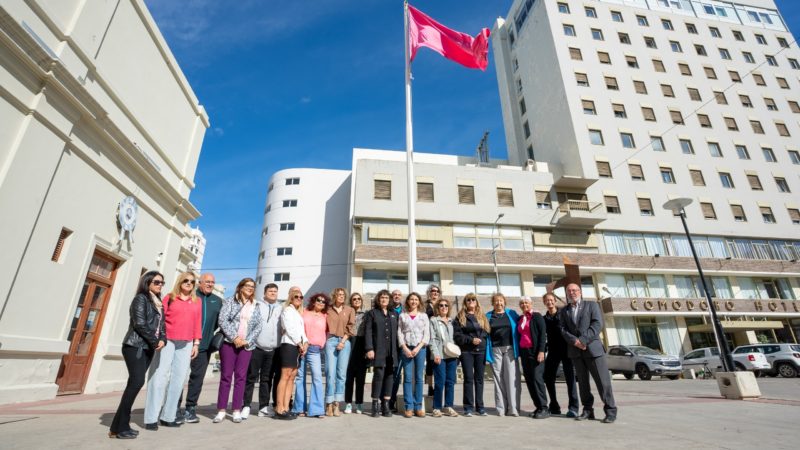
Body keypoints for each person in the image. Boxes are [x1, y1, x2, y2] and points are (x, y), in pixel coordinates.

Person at [109, 271, 166, 439]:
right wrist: (155, 341)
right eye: (156, 282)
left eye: (162, 282)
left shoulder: (158, 303)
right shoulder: (140, 299)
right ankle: (121, 427)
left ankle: (116, 427)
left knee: (133, 385)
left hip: (148, 347)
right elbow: (139, 324)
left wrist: (163, 338)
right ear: (147, 282)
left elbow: (162, 325)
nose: (160, 285)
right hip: (135, 346)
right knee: (136, 383)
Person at [144, 272, 201, 430]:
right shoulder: (169, 297)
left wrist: (196, 343)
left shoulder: (197, 301)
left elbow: (197, 323)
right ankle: (151, 418)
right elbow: (160, 319)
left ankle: (168, 416)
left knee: (178, 380)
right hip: (167, 341)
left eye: (192, 281)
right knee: (159, 376)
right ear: (180, 282)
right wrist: (158, 338)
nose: (189, 283)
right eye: (186, 280)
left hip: (187, 343)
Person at [559, 283, 617, 424]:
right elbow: (562, 329)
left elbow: (597, 324)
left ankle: (610, 411)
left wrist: (583, 340)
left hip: (593, 350)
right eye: (569, 291)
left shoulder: (592, 306)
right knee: (583, 384)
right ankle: (587, 410)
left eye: (574, 290)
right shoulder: (564, 310)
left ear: (580, 291)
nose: (572, 293)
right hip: (576, 352)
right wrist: (575, 341)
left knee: (603, 383)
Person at [213, 278, 262, 423]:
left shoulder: (255, 304)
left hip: (246, 346)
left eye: (252, 286)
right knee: (226, 377)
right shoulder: (230, 301)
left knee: (241, 378)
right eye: (247, 286)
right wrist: (235, 337)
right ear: (240, 287)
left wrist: (247, 340)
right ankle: (221, 410)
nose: (250, 288)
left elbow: (258, 325)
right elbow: (222, 320)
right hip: (229, 343)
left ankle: (236, 410)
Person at [181, 272, 223, 424]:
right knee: (178, 377)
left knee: (197, 379)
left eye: (212, 282)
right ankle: (172, 407)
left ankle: (190, 408)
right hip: (183, 344)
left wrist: (212, 337)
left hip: (204, 347)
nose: (210, 284)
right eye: (207, 281)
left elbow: (220, 323)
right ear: (200, 282)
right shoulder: (191, 296)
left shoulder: (218, 301)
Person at [243, 283, 283, 419]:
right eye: (270, 291)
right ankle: (246, 406)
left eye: (275, 291)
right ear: (265, 293)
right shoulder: (257, 305)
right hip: (257, 347)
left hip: (273, 349)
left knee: (266, 379)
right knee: (251, 377)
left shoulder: (281, 308)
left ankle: (263, 407)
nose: (273, 293)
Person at [542, 292, 579, 417]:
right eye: (547, 300)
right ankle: (554, 405)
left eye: (551, 300)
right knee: (548, 377)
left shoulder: (564, 314)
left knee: (570, 379)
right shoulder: (544, 319)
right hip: (553, 351)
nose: (549, 302)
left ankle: (573, 408)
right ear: (544, 302)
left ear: (555, 301)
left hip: (567, 350)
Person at [453, 293, 489, 417]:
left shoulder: (482, 316)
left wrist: (480, 339)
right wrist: (470, 340)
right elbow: (457, 335)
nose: (471, 301)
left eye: (473, 299)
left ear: (476, 302)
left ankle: (480, 407)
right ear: (465, 302)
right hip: (467, 351)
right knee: (468, 378)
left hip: (481, 351)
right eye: (468, 300)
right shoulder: (460, 317)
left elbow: (486, 332)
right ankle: (468, 407)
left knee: (479, 379)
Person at [364, 289, 399, 417]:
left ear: (389, 300)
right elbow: (368, 331)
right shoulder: (372, 313)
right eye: (382, 297)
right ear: (378, 300)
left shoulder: (394, 313)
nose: (384, 299)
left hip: (392, 350)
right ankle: (375, 404)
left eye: (386, 297)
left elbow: (398, 333)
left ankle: (386, 404)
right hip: (378, 349)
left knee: (390, 375)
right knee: (379, 375)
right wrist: (369, 349)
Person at [485, 292, 521, 417]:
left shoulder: (512, 314)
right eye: (496, 301)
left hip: (510, 349)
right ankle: (501, 408)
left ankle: (513, 408)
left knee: (511, 378)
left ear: (504, 302)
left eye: (501, 301)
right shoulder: (488, 316)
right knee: (498, 379)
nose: (498, 303)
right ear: (493, 303)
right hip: (495, 350)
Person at [275, 287, 308, 420]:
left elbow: (301, 331)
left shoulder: (298, 313)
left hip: (298, 346)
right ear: (291, 298)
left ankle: (286, 408)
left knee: (292, 377)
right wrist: (299, 343)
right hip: (289, 344)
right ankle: (279, 408)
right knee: (285, 375)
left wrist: (305, 342)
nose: (299, 299)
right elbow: (289, 328)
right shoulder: (287, 310)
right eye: (296, 297)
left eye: (301, 297)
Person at [293, 292, 327, 418]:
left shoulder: (325, 316)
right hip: (301, 348)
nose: (321, 302)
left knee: (317, 378)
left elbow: (327, 331)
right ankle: (299, 408)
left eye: (323, 301)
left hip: (315, 350)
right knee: (300, 378)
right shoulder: (304, 312)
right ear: (313, 300)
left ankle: (316, 410)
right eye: (318, 300)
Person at [398, 292, 430, 418]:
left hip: (420, 349)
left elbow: (426, 334)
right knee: (407, 377)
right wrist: (404, 348)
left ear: (419, 302)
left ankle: (418, 407)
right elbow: (399, 333)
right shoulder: (403, 316)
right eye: (411, 299)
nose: (414, 301)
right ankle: (409, 407)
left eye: (416, 299)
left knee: (419, 378)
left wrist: (418, 347)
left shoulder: (424, 316)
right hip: (406, 349)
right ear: (408, 301)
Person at [324, 287, 355, 417]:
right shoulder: (328, 310)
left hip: (345, 341)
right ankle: (329, 403)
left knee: (341, 375)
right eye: (339, 294)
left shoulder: (350, 310)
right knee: (330, 373)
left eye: (343, 294)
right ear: (334, 296)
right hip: (330, 341)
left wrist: (343, 341)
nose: (341, 296)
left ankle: (337, 403)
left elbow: (351, 327)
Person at [517, 296, 548, 419]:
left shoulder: (537, 316)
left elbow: (542, 335)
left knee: (537, 379)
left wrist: (541, 351)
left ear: (531, 304)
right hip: (524, 352)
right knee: (529, 380)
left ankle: (544, 407)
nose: (524, 305)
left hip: (535, 352)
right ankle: (538, 407)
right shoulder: (521, 318)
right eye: (522, 303)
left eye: (526, 303)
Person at [428, 297, 459, 418]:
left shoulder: (451, 321)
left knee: (450, 382)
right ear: (437, 308)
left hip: (451, 355)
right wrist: (435, 354)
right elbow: (432, 339)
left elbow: (455, 338)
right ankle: (436, 407)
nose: (444, 307)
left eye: (446, 305)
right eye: (441, 305)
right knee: (440, 382)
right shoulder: (434, 321)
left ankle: (448, 406)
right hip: (439, 356)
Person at [344, 292, 367, 414]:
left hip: (362, 344)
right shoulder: (347, 312)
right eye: (354, 299)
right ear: (351, 301)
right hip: (349, 342)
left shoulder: (366, 314)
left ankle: (359, 403)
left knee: (360, 378)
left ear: (361, 301)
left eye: (359, 299)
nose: (357, 300)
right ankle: (348, 403)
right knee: (349, 377)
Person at [424, 284, 441, 397]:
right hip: (428, 337)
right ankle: (430, 387)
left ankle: (439, 386)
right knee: (429, 363)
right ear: (429, 292)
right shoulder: (425, 306)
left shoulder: (442, 304)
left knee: (439, 362)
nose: (435, 293)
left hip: (439, 338)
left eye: (437, 291)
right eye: (433, 291)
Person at [388, 289, 404, 411]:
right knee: (389, 374)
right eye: (395, 295)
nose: (397, 296)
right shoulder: (387, 309)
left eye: (399, 295)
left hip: (403, 346)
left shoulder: (406, 310)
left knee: (397, 376)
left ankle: (392, 401)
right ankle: (385, 400)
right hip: (390, 346)